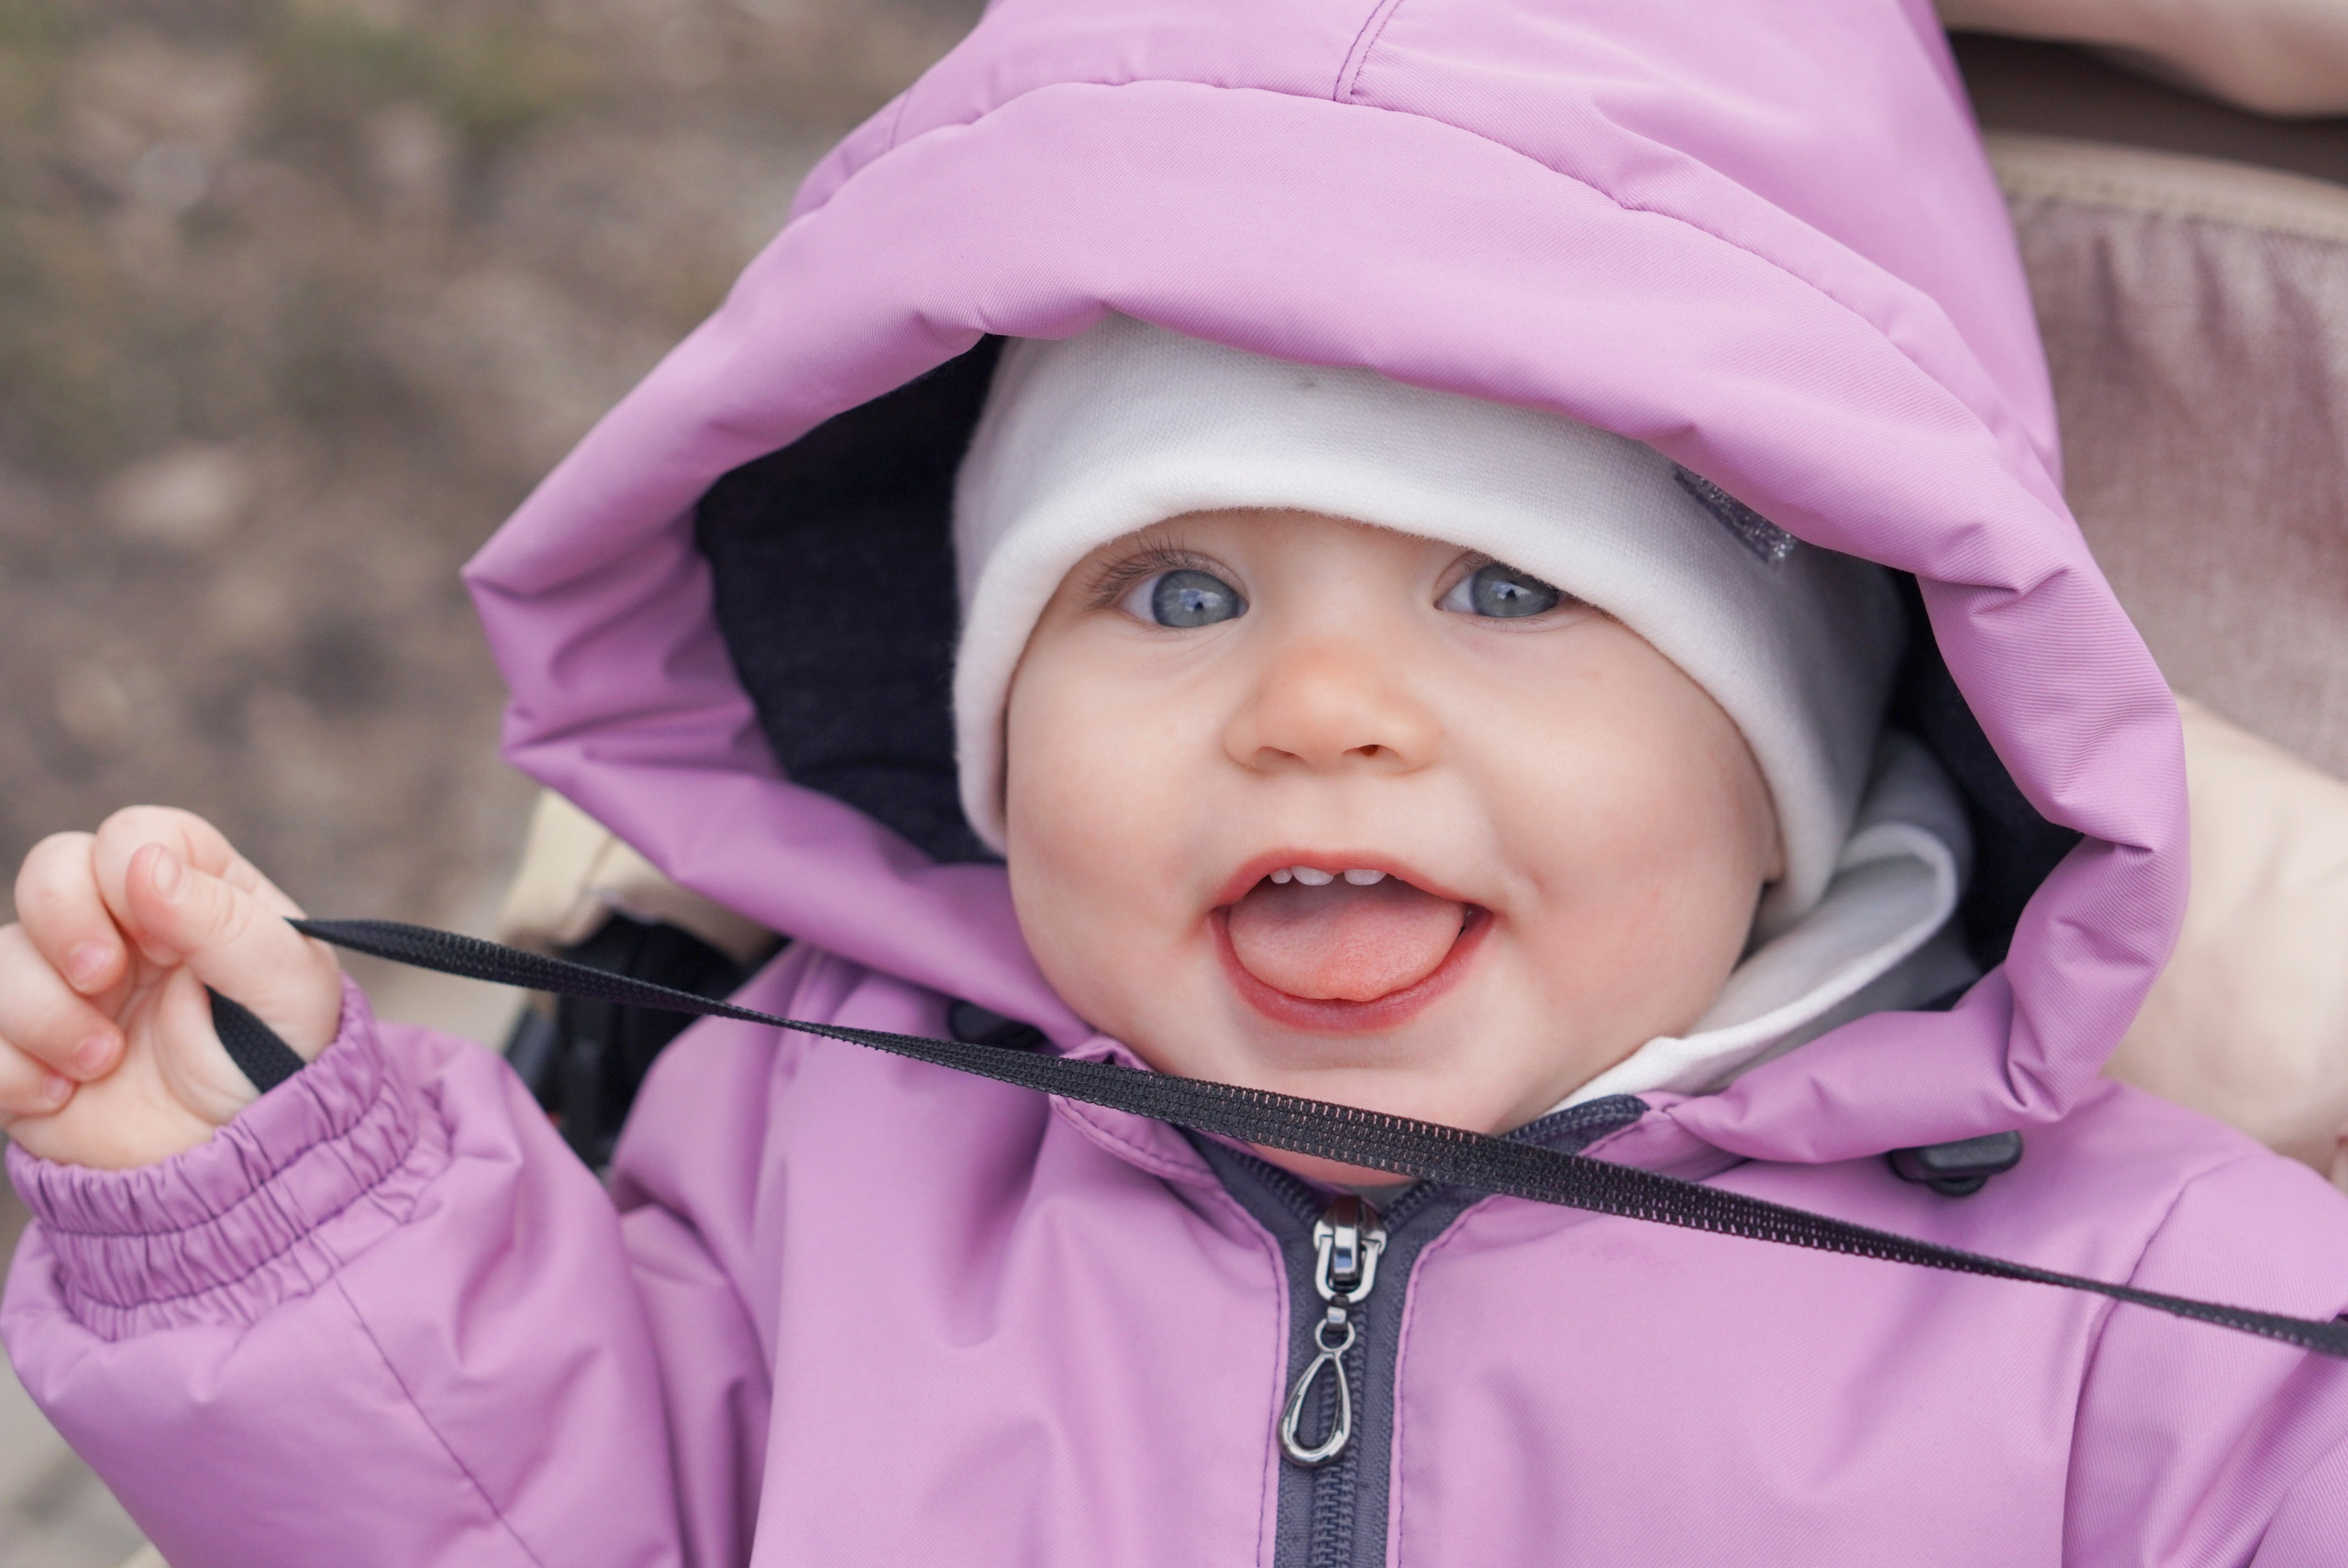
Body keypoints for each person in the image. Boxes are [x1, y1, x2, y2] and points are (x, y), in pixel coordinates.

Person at [6, 1, 2348, 1563]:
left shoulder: (2146, 1314)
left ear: (1786, 771)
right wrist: (267, 1222)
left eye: (1506, 593)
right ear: (991, 746)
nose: (1319, 708)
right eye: (1175, 598)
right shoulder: (819, 1152)